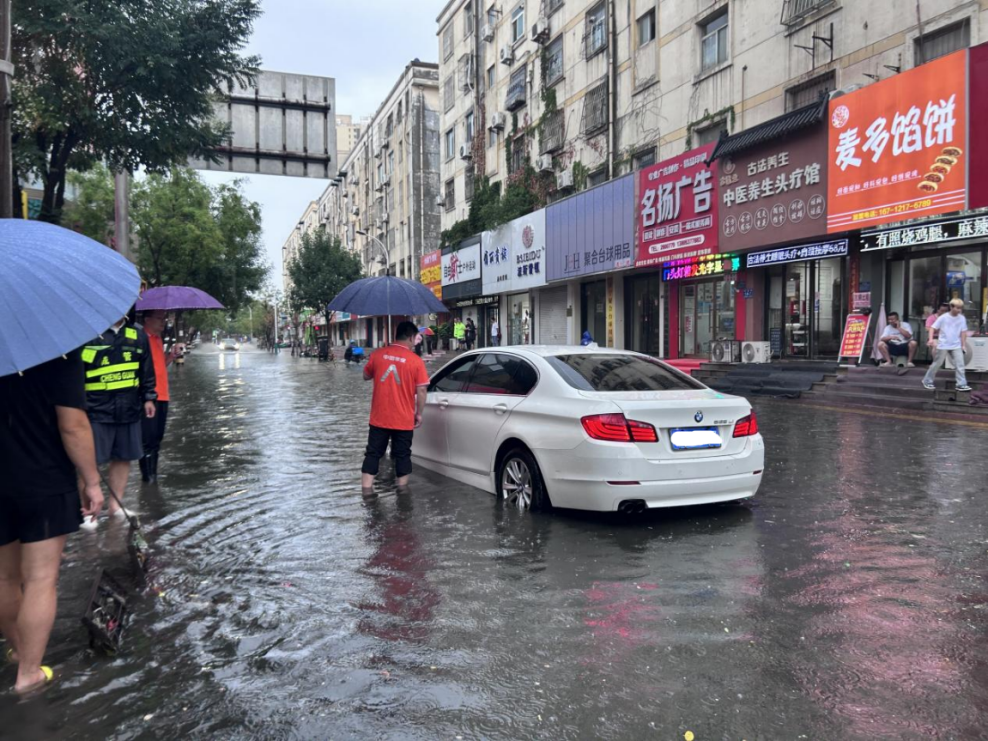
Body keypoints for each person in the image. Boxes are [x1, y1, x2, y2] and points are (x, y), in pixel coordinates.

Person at [0, 352, 104, 692]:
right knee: (41, 578)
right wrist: (91, 481)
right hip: (43, 481)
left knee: (4, 577)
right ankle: (29, 672)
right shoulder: (58, 354)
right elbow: (72, 425)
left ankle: (18, 650)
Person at [81, 317, 156, 524]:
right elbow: (77, 372)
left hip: (129, 407)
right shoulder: (88, 332)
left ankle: (116, 505)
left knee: (124, 457)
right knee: (89, 461)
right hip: (96, 409)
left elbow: (146, 368)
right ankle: (88, 512)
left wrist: (149, 397)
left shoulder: (137, 334)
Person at [361, 321, 430, 491]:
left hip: (379, 418)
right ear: (410, 337)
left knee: (373, 454)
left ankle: (367, 493)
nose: (416, 342)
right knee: (402, 456)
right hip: (404, 418)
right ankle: (402, 495)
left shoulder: (378, 354)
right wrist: (419, 413)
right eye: (415, 338)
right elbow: (422, 390)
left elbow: (365, 375)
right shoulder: (416, 361)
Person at [139, 310, 177, 483]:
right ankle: (147, 478)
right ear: (147, 320)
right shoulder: (141, 339)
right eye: (160, 319)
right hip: (149, 397)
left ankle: (153, 473)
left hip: (163, 395)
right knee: (148, 438)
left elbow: (159, 365)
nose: (163, 323)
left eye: (164, 319)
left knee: (158, 437)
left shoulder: (157, 339)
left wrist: (171, 357)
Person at [923, 299, 972, 391]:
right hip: (943, 344)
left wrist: (963, 345)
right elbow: (932, 328)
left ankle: (961, 384)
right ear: (951, 307)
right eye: (957, 308)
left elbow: (963, 332)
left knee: (960, 364)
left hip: (956, 344)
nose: (959, 310)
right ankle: (927, 380)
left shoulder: (962, 318)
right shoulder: (943, 317)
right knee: (937, 363)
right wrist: (930, 339)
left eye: (960, 308)